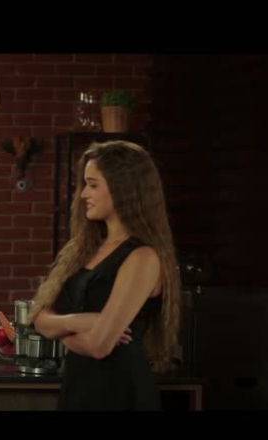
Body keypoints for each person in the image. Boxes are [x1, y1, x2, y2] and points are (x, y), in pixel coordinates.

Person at [30, 140, 181, 410]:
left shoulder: (143, 257)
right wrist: (83, 320)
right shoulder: (86, 249)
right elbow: (39, 319)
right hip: (78, 391)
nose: (83, 194)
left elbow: (99, 345)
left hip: (120, 394)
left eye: (93, 185)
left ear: (124, 189)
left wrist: (59, 331)